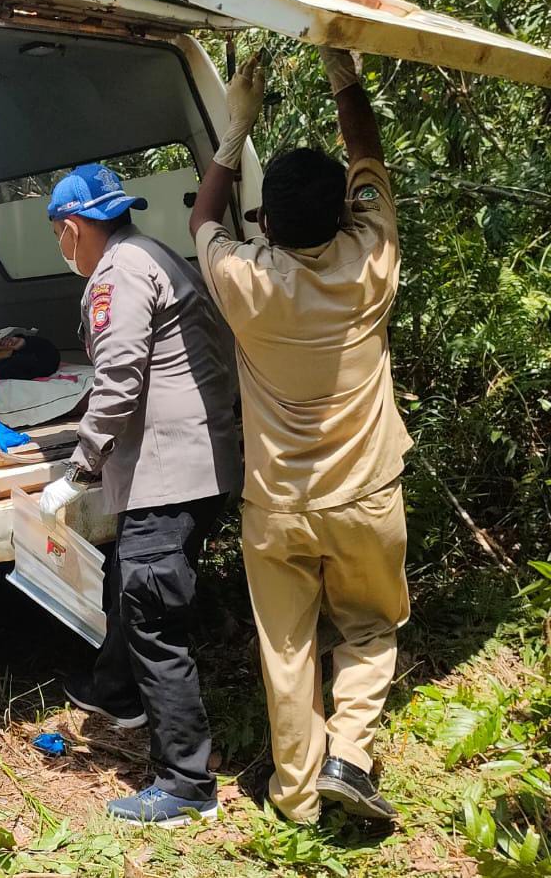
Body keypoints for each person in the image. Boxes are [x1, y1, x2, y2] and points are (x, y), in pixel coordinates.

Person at [188, 50, 410, 824]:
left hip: (276, 504)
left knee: (285, 650)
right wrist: (343, 76)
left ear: (268, 223)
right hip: (365, 494)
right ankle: (350, 752)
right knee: (369, 624)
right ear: (346, 215)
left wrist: (233, 130)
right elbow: (369, 160)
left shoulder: (249, 282)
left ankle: (297, 795)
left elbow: (201, 222)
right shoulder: (371, 260)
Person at [39, 163, 241, 827]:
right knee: (133, 580)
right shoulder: (150, 252)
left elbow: (120, 380)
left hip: (167, 468)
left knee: (152, 612)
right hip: (199, 459)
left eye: (61, 239)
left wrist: (79, 468)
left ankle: (186, 781)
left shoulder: (116, 274)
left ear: (71, 229)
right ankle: (117, 690)